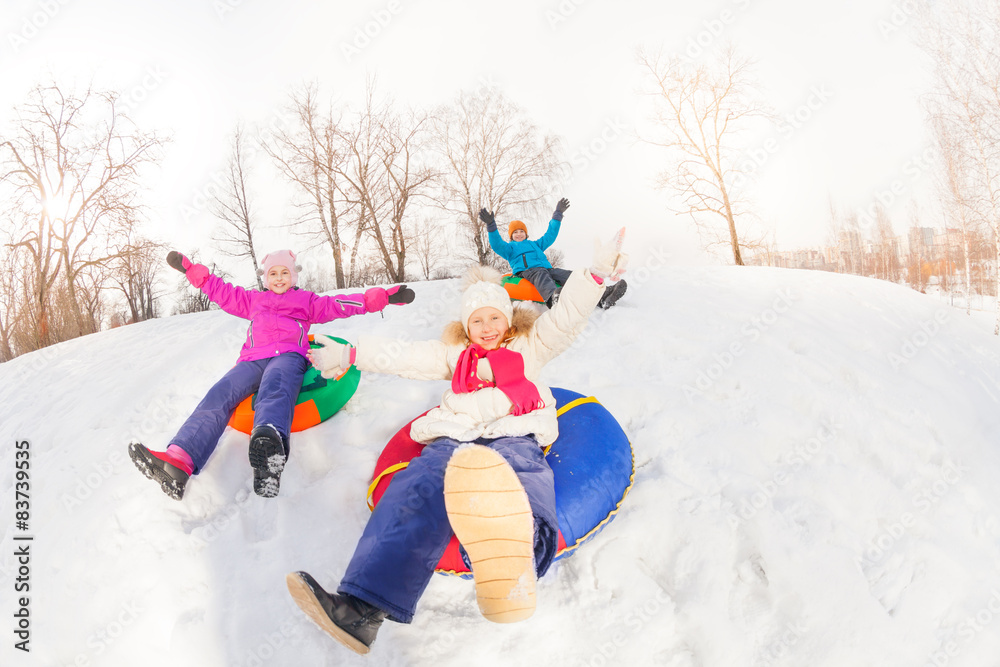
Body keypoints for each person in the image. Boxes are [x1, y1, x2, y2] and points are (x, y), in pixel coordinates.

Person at [285, 232, 628, 655]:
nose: (486, 328)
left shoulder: (530, 345)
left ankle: (515, 568)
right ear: (466, 326)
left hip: (514, 433)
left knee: (522, 476)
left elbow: (568, 317)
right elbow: (402, 355)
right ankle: (361, 609)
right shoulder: (455, 357)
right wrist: (351, 352)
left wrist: (594, 275)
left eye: (494, 319)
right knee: (417, 488)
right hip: (456, 438)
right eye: (477, 321)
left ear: (509, 319)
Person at [128, 249, 415, 500]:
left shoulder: (306, 301)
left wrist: (380, 299)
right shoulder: (253, 301)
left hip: (288, 357)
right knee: (219, 394)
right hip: (251, 360)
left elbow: (339, 304)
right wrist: (192, 270)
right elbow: (221, 291)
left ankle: (269, 451)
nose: (279, 278)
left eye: (285, 273)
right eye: (273, 273)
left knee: (275, 388)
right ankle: (179, 461)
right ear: (266, 278)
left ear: (294, 276)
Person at [480, 198, 627, 310]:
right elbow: (497, 244)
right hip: (528, 272)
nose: (519, 234)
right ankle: (553, 299)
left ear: (526, 233)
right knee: (541, 276)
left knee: (572, 275)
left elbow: (550, 235)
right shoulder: (509, 248)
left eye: (522, 231)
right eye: (515, 232)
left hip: (548, 269)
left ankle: (604, 296)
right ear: (511, 236)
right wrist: (491, 226)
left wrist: (558, 214)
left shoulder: (535, 244)